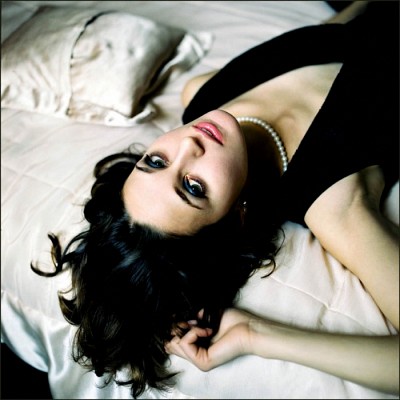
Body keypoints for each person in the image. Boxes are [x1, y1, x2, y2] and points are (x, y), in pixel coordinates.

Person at [32, 1, 399, 398]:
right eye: (193, 187)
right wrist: (256, 334)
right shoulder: (334, 203)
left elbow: (332, 34)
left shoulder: (204, 94)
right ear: (234, 218)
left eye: (155, 161)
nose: (188, 145)